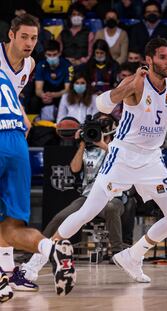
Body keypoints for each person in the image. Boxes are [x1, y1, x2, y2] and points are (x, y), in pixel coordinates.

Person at [44, 37, 167, 283]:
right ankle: (35, 261)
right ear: (149, 60)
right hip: (123, 155)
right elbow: (103, 103)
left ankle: (132, 256)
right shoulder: (136, 83)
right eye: (162, 57)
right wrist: (130, 84)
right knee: (87, 211)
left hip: (151, 159)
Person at [0, 14, 75, 302]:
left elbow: (12, 93)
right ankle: (43, 254)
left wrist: (19, 113)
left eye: (34, 38)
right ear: (11, 35)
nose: (30, 43)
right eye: (25, 37)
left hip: (9, 133)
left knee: (9, 219)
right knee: (11, 222)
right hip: (16, 139)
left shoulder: (30, 65)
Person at [22, 113, 126, 282]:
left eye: (103, 126)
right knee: (60, 217)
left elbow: (122, 161)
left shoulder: (118, 145)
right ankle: (39, 249)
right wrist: (83, 144)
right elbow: (75, 169)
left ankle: (118, 253)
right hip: (88, 196)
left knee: (112, 208)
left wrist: (103, 144)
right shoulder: (88, 149)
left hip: (113, 196)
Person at [34, 39, 73, 121]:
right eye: (49, 55)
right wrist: (43, 95)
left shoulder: (67, 65)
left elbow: (68, 89)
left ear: (59, 53)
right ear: (45, 54)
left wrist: (54, 95)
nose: (52, 57)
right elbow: (38, 89)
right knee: (33, 100)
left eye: (54, 54)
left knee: (67, 98)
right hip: (46, 93)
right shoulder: (40, 65)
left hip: (61, 93)